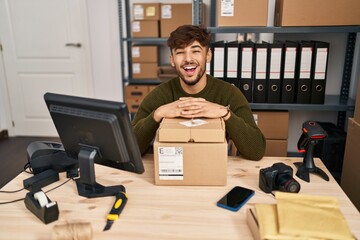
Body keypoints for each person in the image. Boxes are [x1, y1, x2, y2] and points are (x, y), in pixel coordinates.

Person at [131, 25, 266, 160]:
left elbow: (256, 151)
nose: (188, 59)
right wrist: (158, 114)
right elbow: (131, 149)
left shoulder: (229, 93)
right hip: (173, 170)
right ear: (172, 60)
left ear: (208, 56)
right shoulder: (160, 95)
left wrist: (225, 114)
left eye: (195, 51)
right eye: (180, 52)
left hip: (213, 168)